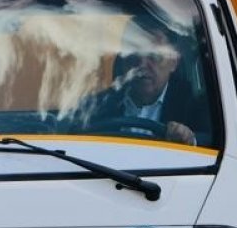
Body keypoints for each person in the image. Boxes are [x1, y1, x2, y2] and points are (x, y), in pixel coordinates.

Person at [83, 17, 209, 146]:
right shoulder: (95, 107)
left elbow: (213, 142)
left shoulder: (195, 106)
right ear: (123, 61)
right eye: (135, 55)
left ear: (173, 62)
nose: (142, 64)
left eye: (154, 56)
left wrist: (190, 139)